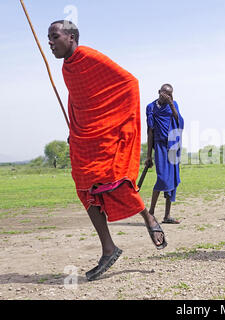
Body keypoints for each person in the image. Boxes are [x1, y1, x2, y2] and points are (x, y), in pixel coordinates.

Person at [48, 20, 167, 281]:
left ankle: (148, 217)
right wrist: (75, 129)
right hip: (83, 138)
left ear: (71, 37)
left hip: (105, 135)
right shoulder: (67, 68)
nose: (50, 42)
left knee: (117, 182)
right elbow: (79, 100)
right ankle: (109, 249)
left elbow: (128, 83)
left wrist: (115, 123)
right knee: (84, 189)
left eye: (54, 36)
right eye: (48, 38)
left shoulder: (89, 57)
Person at [146, 84, 184, 224]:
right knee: (162, 178)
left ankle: (167, 216)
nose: (166, 95)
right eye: (164, 93)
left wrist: (171, 104)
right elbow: (150, 131)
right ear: (159, 92)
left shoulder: (174, 105)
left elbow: (179, 121)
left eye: (169, 94)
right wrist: (149, 155)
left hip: (173, 146)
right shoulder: (151, 107)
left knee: (172, 180)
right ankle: (150, 213)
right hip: (160, 147)